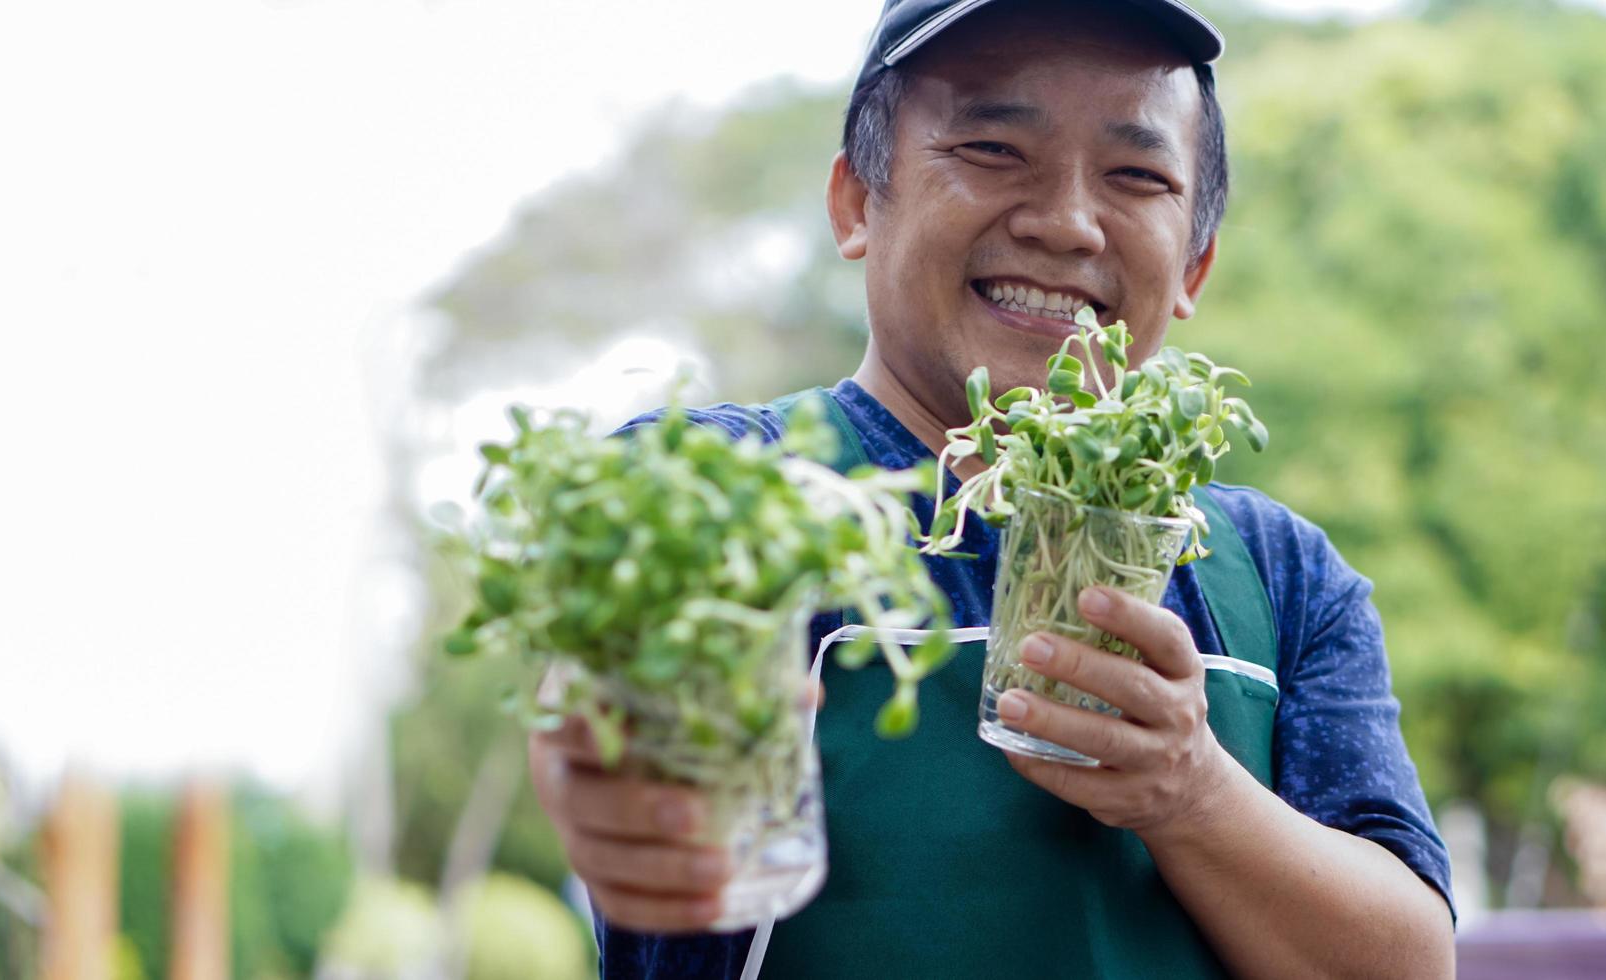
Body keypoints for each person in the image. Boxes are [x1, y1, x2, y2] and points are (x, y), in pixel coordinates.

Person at [528, 0, 1458, 976]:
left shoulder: (1276, 576)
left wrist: (1190, 792)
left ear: (1193, 262)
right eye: (991, 148)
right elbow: (612, 760)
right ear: (854, 202)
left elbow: (1407, 962)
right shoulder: (718, 487)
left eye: (1135, 175)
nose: (1064, 222)